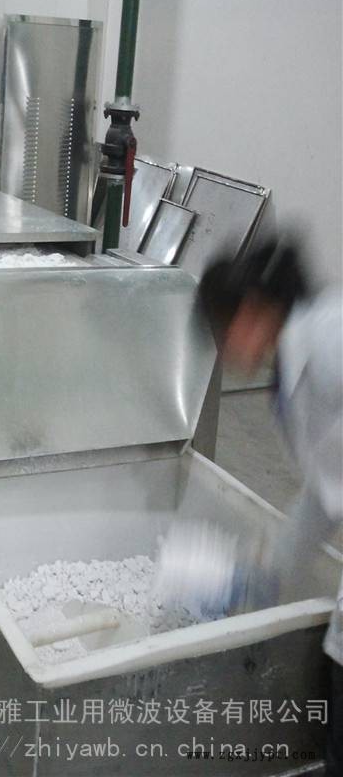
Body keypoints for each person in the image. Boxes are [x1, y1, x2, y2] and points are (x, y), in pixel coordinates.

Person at [198, 239, 342, 775]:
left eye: (221, 328)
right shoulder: (293, 368)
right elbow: (326, 491)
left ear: (253, 311)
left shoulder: (330, 336)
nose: (222, 346)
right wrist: (269, 573)